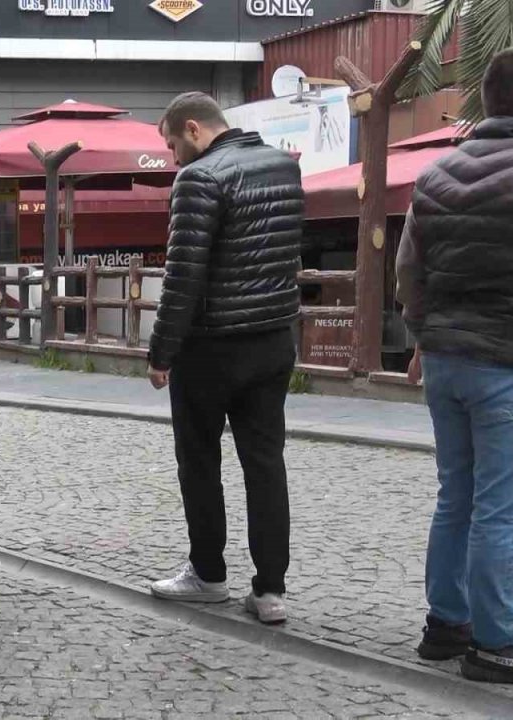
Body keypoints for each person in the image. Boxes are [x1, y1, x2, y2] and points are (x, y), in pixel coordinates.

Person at [144, 92, 303, 626]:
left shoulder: (199, 178)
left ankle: (208, 574)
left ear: (193, 129)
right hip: (274, 338)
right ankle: (270, 591)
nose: (171, 159)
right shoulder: (284, 167)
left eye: (171, 145)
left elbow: (183, 275)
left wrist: (161, 352)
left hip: (212, 346)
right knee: (265, 462)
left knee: (200, 461)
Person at [395, 49, 513, 684]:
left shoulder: (436, 175)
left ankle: (445, 625)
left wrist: (420, 337)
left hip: (443, 358)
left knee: (456, 496)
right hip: (504, 362)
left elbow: (407, 272)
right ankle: (498, 644)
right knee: (501, 507)